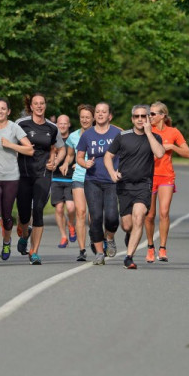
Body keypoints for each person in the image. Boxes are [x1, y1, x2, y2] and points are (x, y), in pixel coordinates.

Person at [104, 105, 165, 270]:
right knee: (127, 225)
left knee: (139, 217)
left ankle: (129, 257)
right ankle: (130, 234)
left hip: (143, 185)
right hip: (124, 185)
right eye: (137, 116)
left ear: (148, 119)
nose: (140, 119)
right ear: (132, 119)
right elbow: (108, 157)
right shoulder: (122, 137)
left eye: (143, 116)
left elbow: (159, 154)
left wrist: (149, 133)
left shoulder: (155, 137)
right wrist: (112, 172)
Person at [14, 93, 66, 265]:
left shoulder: (52, 127)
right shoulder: (21, 124)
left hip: (43, 173)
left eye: (42, 103)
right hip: (22, 173)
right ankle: (24, 233)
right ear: (31, 106)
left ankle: (34, 252)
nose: (39, 106)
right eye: (36, 103)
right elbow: (11, 143)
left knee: (37, 210)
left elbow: (61, 148)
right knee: (23, 214)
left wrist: (55, 161)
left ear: (45, 105)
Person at [0, 98, 34, 264]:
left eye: (3, 108)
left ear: (8, 111)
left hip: (11, 176)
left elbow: (29, 149)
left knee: (6, 215)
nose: (0, 111)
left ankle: (6, 242)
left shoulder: (14, 127)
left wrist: (11, 145)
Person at [144, 102, 189, 263]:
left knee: (164, 213)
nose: (150, 116)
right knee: (150, 215)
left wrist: (172, 146)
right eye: (149, 114)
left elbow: (188, 153)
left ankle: (162, 248)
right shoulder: (147, 131)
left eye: (153, 114)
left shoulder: (173, 132)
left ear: (163, 115)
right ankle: (150, 247)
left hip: (166, 176)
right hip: (149, 176)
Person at [76, 102, 122, 265]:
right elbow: (79, 156)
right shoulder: (87, 135)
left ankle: (109, 238)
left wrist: (120, 170)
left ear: (110, 116)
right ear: (94, 115)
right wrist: (84, 163)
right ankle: (99, 253)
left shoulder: (118, 133)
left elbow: (127, 154)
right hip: (92, 181)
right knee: (95, 217)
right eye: (97, 112)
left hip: (111, 181)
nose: (100, 114)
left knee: (112, 217)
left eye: (104, 112)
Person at [61, 104, 95, 261]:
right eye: (82, 117)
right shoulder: (73, 137)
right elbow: (69, 155)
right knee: (81, 213)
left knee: (94, 215)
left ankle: (95, 237)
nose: (85, 120)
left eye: (88, 117)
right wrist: (65, 163)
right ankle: (82, 250)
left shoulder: (99, 134)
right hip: (79, 178)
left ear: (93, 118)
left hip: (96, 178)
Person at [50, 114, 77, 248]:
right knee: (59, 208)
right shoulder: (53, 138)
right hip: (56, 178)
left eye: (65, 123)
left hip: (71, 178)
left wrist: (77, 164)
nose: (62, 126)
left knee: (71, 208)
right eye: (60, 123)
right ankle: (63, 235)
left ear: (69, 124)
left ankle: (71, 225)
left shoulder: (73, 138)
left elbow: (80, 154)